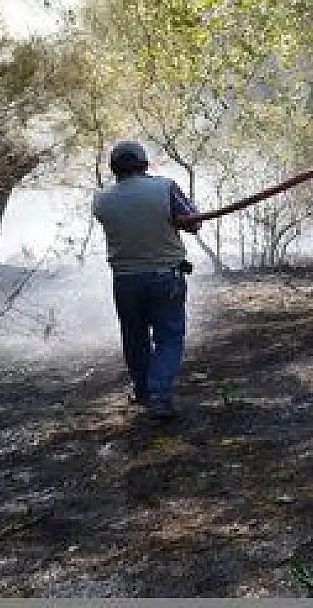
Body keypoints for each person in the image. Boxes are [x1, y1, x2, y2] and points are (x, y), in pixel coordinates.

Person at [92, 140, 204, 420]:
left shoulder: (101, 200)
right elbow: (194, 222)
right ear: (144, 164)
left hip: (125, 281)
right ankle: (158, 395)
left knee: (135, 339)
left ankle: (143, 390)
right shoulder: (164, 188)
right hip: (166, 276)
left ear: (114, 168)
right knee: (168, 338)